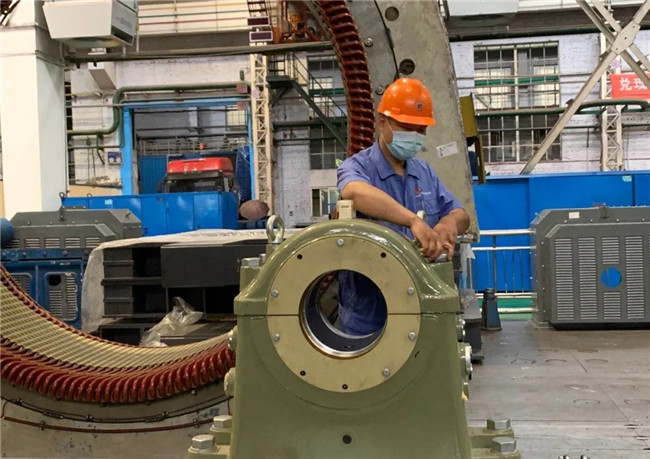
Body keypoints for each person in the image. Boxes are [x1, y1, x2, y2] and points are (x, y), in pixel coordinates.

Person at [336, 78, 470, 336]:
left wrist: (448, 224)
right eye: (407, 127)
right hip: (369, 312)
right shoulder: (358, 166)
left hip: (421, 305)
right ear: (382, 122)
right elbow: (353, 192)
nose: (414, 136)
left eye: (421, 130)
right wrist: (413, 221)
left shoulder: (424, 171)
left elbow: (461, 214)